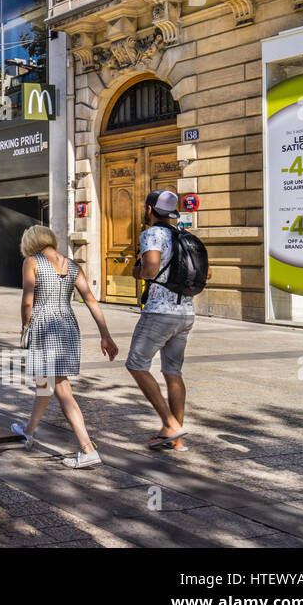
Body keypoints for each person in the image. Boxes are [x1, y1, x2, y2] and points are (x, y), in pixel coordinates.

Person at [13, 224, 118, 469]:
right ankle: (28, 432)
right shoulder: (72, 265)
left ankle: (87, 448)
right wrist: (105, 335)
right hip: (68, 325)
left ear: (30, 242)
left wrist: (24, 327)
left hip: (45, 325)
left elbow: (28, 301)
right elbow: (90, 299)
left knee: (61, 387)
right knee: (44, 382)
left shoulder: (32, 261)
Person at [127, 190, 196, 452]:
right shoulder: (186, 236)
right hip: (186, 312)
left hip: (159, 311)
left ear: (149, 210)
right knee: (172, 372)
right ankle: (176, 439)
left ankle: (170, 424)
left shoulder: (152, 234)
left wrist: (138, 271)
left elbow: (151, 267)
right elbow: (207, 271)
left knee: (136, 364)